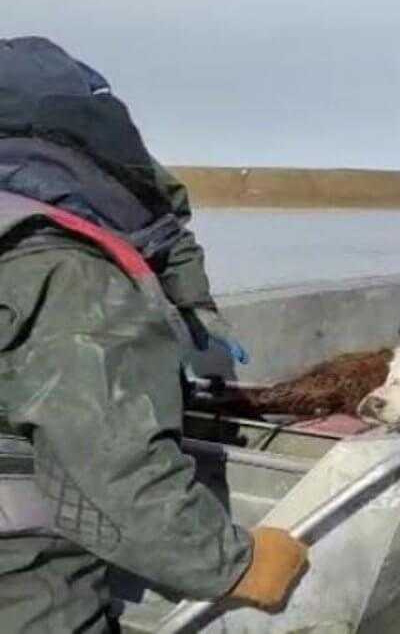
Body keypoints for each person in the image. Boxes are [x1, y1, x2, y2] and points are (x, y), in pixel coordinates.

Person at [0, 36, 307, 632]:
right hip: (25, 586)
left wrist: (197, 313)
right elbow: (115, 470)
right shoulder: (64, 270)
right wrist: (237, 565)